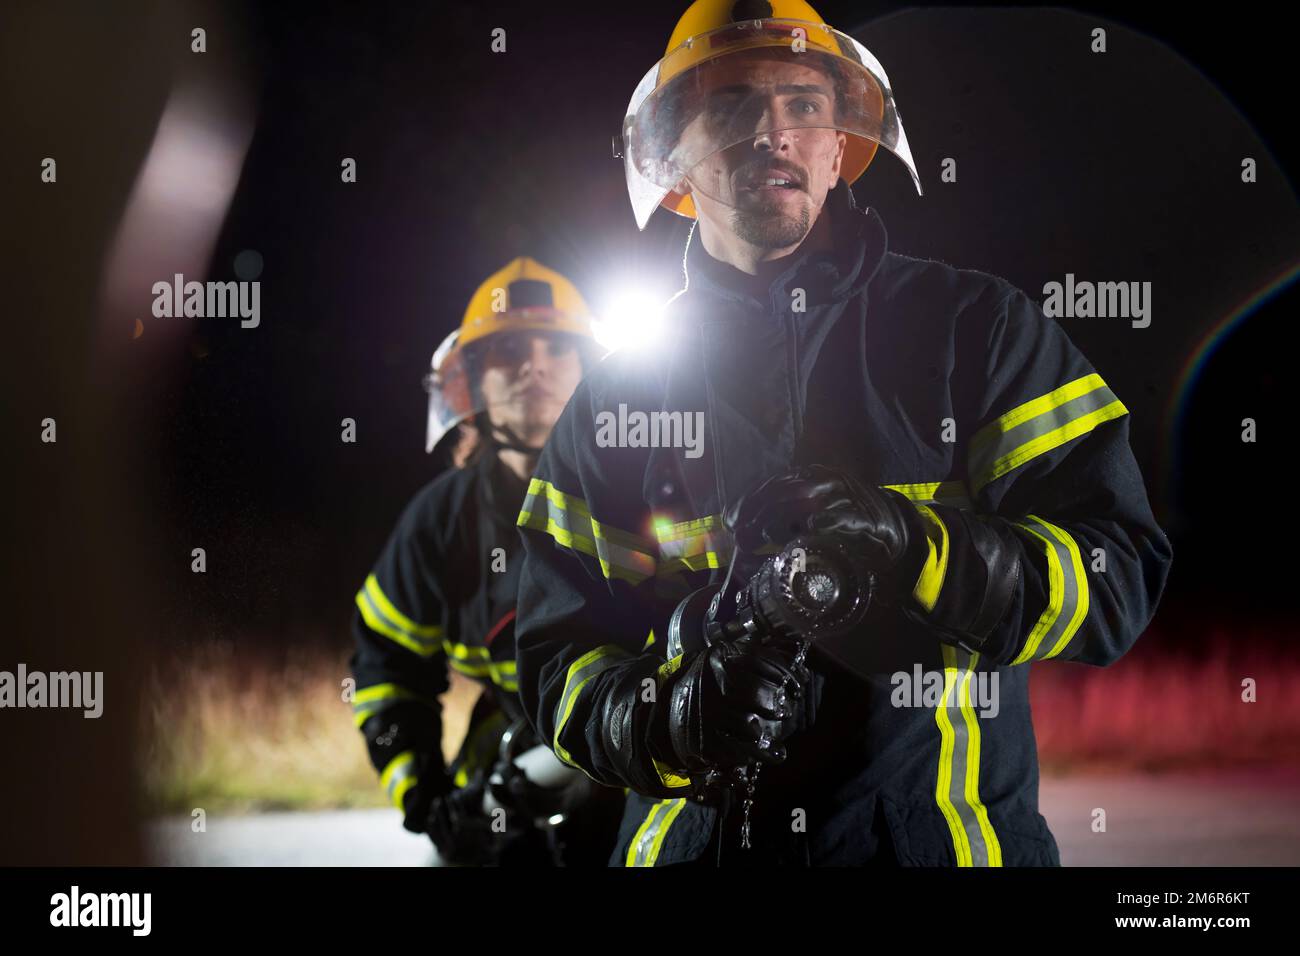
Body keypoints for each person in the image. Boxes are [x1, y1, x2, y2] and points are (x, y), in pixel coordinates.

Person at [513, 0, 1173, 866]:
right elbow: (560, 659)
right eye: (733, 104)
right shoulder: (616, 398)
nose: (772, 132)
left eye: (804, 104)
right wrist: (664, 718)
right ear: (675, 151)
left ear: (839, 146)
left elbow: (1114, 577)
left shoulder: (974, 331)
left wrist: (913, 547)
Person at [350, 256, 621, 865]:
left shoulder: (656, 492)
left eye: (557, 346)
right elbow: (386, 665)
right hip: (512, 749)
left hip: (636, 753)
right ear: (468, 383)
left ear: (592, 372)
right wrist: (426, 797)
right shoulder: (440, 522)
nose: (535, 365)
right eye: (508, 350)